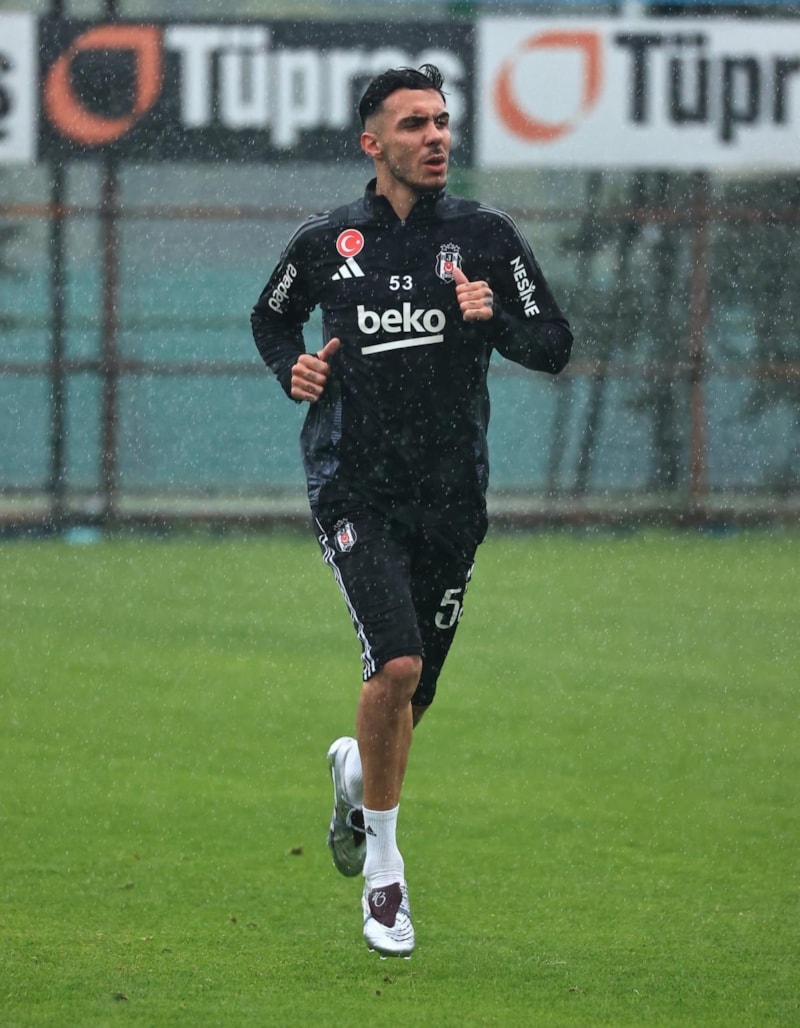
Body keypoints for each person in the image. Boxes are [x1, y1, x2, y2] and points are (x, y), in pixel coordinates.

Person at [251, 64, 572, 958]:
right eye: (414, 124)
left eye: (441, 121)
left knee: (411, 693)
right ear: (373, 143)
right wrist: (291, 369)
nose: (435, 137)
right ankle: (385, 879)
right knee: (393, 664)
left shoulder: (484, 237)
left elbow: (553, 343)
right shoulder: (328, 241)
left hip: (451, 497)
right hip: (352, 486)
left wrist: (492, 319)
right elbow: (271, 319)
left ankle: (356, 775)